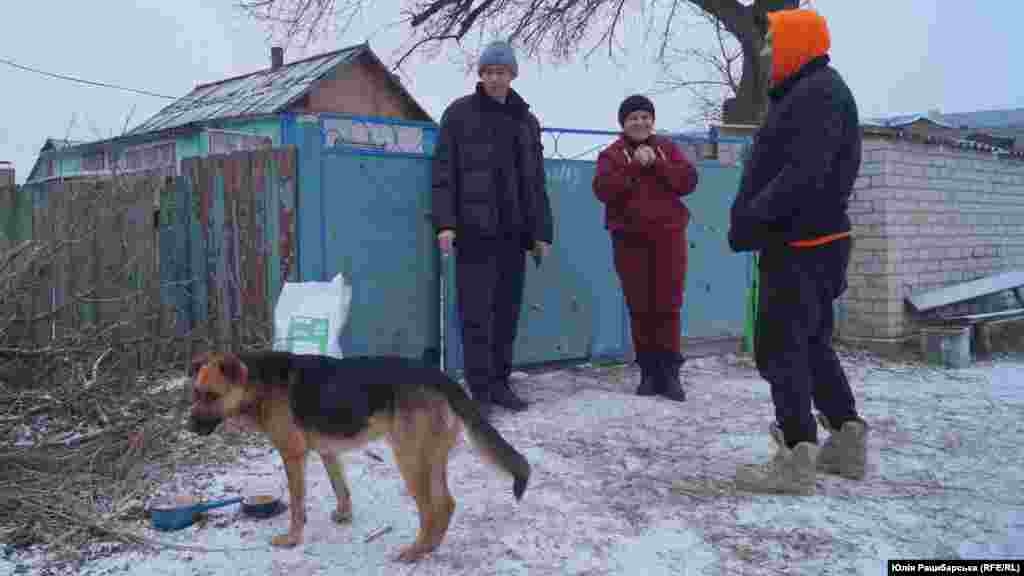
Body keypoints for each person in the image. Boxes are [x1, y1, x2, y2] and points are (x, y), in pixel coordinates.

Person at [727, 8, 869, 495]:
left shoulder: (816, 93)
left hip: (798, 243)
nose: (765, 54)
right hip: (811, 241)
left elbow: (802, 175)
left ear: (798, 42)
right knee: (809, 343)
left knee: (780, 347)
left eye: (771, 43)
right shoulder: (812, 92)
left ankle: (796, 455)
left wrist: (751, 218)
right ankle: (846, 438)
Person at [431, 40, 553, 419]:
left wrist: (541, 233)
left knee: (506, 314)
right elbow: (443, 174)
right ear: (480, 75)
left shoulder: (526, 120)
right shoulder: (459, 114)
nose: (496, 78)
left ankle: (501, 384)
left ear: (513, 75)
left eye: (503, 72)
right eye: (489, 71)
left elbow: (536, 183)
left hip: (514, 235)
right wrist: (446, 224)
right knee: (477, 314)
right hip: (474, 233)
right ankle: (479, 390)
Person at [592, 94, 699, 402]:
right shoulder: (612, 155)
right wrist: (635, 168)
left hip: (668, 237)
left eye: (644, 117)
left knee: (668, 305)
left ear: (652, 120)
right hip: (629, 240)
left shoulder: (667, 148)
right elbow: (603, 190)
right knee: (640, 306)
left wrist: (659, 165)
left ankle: (671, 374)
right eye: (632, 118)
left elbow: (688, 182)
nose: (639, 122)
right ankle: (648, 373)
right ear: (623, 124)